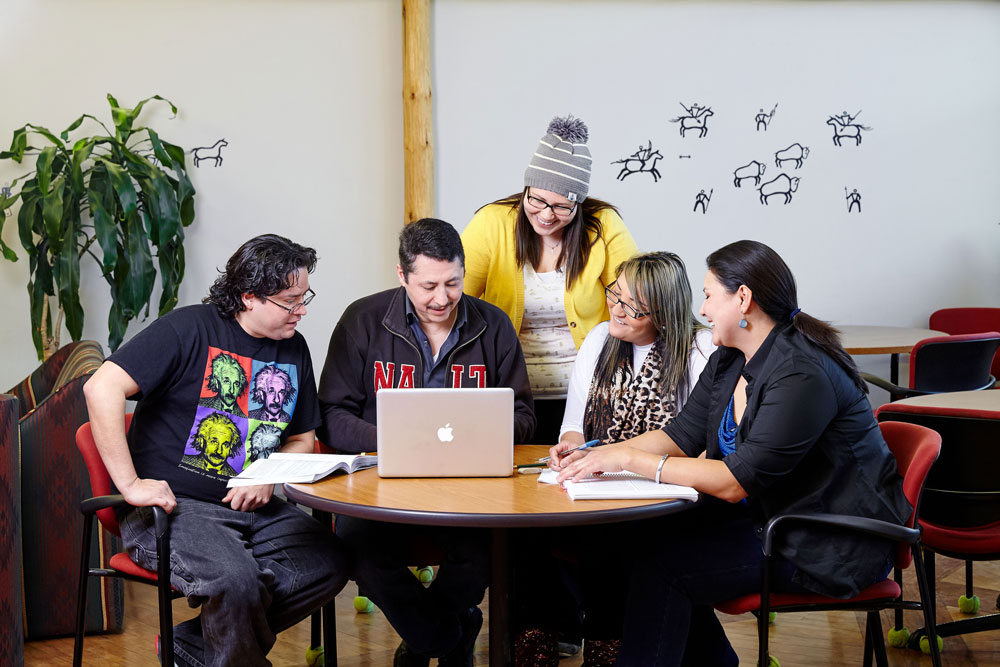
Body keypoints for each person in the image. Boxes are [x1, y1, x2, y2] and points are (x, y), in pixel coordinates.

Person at [552, 240, 912, 666]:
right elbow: (680, 434)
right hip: (772, 520)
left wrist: (627, 460)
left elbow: (733, 481)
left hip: (829, 543)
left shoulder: (801, 373)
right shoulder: (731, 357)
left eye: (708, 296)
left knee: (664, 567)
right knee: (634, 540)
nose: (702, 310)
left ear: (743, 299)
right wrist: (597, 456)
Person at [83, 234, 348, 667]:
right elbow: (101, 387)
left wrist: (267, 475)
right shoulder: (187, 328)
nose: (301, 311)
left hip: (254, 511)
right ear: (248, 296)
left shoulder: (294, 347)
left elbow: (302, 438)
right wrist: (130, 484)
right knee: (235, 582)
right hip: (175, 509)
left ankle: (192, 647)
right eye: (289, 301)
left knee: (330, 561)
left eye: (305, 297)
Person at [317, 218, 535, 666]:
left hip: (472, 493)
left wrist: (477, 435)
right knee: (360, 552)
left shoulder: (492, 326)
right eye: (428, 285)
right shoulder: (363, 321)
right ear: (402, 276)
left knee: (487, 555)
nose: (442, 298)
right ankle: (446, 635)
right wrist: (397, 442)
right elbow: (332, 416)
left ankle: (422, 642)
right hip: (380, 490)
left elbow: (525, 417)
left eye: (453, 283)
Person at [514, 252, 715, 666]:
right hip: (598, 477)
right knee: (525, 529)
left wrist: (617, 458)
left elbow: (699, 445)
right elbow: (574, 425)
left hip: (664, 487)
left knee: (612, 535)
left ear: (664, 312)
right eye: (614, 295)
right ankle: (539, 633)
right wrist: (569, 447)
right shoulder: (599, 339)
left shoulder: (701, 349)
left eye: (632, 307)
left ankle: (608, 639)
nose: (616, 311)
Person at [462, 114, 638, 445]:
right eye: (537, 200)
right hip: (510, 396)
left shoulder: (603, 225)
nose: (545, 215)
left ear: (579, 204)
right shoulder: (492, 223)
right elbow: (454, 298)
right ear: (525, 189)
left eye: (561, 207)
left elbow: (638, 297)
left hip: (589, 396)